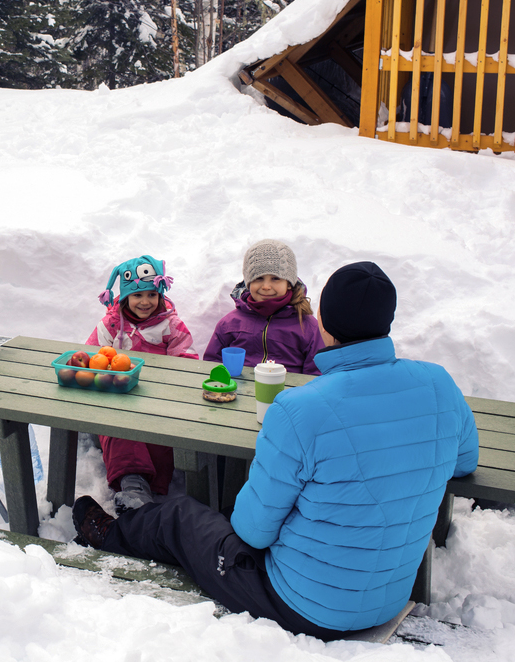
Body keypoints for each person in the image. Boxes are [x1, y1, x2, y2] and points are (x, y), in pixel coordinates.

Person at [72, 261, 479, 640]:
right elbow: (465, 462)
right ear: (386, 319)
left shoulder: (301, 408)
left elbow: (252, 531)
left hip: (300, 603)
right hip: (386, 599)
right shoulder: (438, 383)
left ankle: (111, 533)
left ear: (326, 324)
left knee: (180, 517)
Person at [87, 255, 198, 513]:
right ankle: (133, 486)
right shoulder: (112, 325)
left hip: (157, 399)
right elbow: (93, 357)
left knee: (156, 434)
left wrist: (171, 377)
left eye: (152, 294)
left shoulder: (171, 325)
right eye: (137, 296)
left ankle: (155, 485)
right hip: (119, 397)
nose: (145, 302)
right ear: (125, 297)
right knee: (119, 428)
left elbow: (187, 361)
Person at [203, 239, 324, 374]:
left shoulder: (307, 326)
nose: (266, 287)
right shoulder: (230, 323)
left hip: (288, 392)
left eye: (275, 278)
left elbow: (315, 374)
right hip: (236, 391)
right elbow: (212, 363)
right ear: (248, 283)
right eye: (258, 278)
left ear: (289, 283)